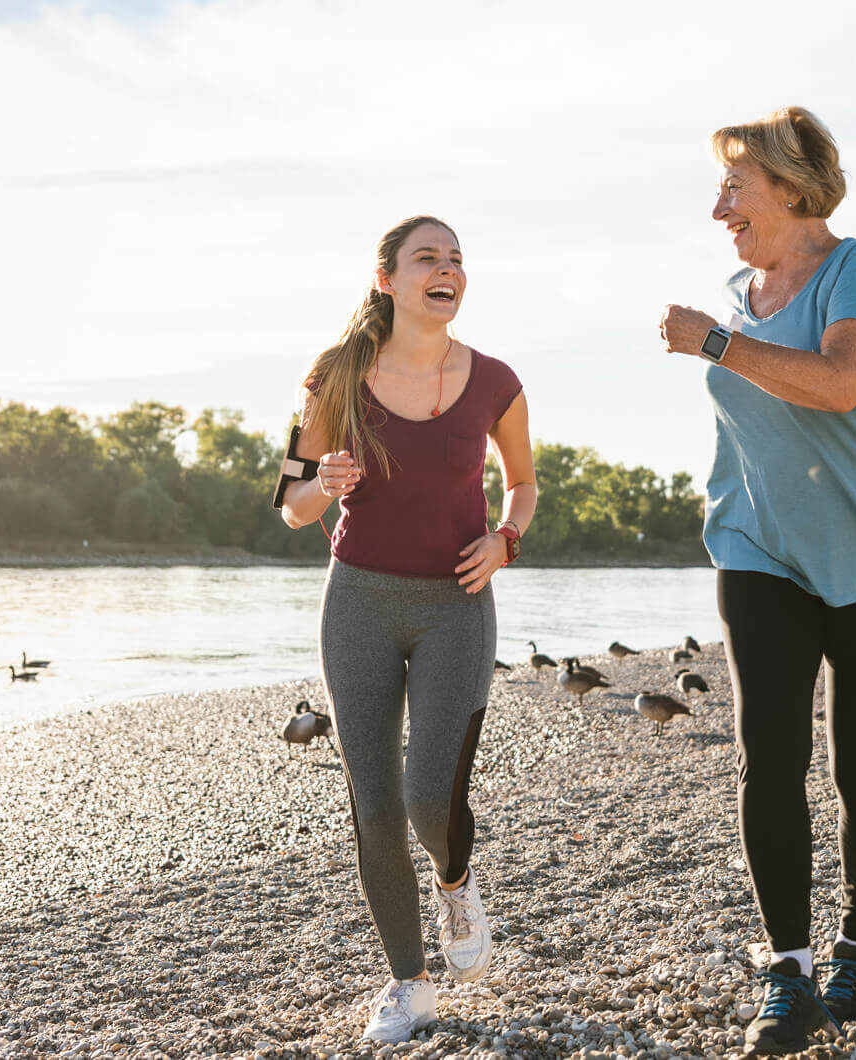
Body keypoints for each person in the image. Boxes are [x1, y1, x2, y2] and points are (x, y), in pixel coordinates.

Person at [657, 107, 856, 1055]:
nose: (718, 208)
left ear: (788, 184)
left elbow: (841, 382)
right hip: (758, 548)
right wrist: (724, 338)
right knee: (767, 756)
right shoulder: (740, 291)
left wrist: (715, 345)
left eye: (733, 187)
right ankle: (790, 972)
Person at [277, 215, 537, 1044]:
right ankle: (408, 983)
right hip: (357, 603)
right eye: (429, 256)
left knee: (431, 794)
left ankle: (455, 880)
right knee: (375, 804)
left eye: (457, 258)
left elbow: (523, 483)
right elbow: (289, 503)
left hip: (457, 604)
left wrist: (505, 540)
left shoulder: (495, 380)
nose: (447, 268)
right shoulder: (334, 374)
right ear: (387, 277)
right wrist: (325, 479)